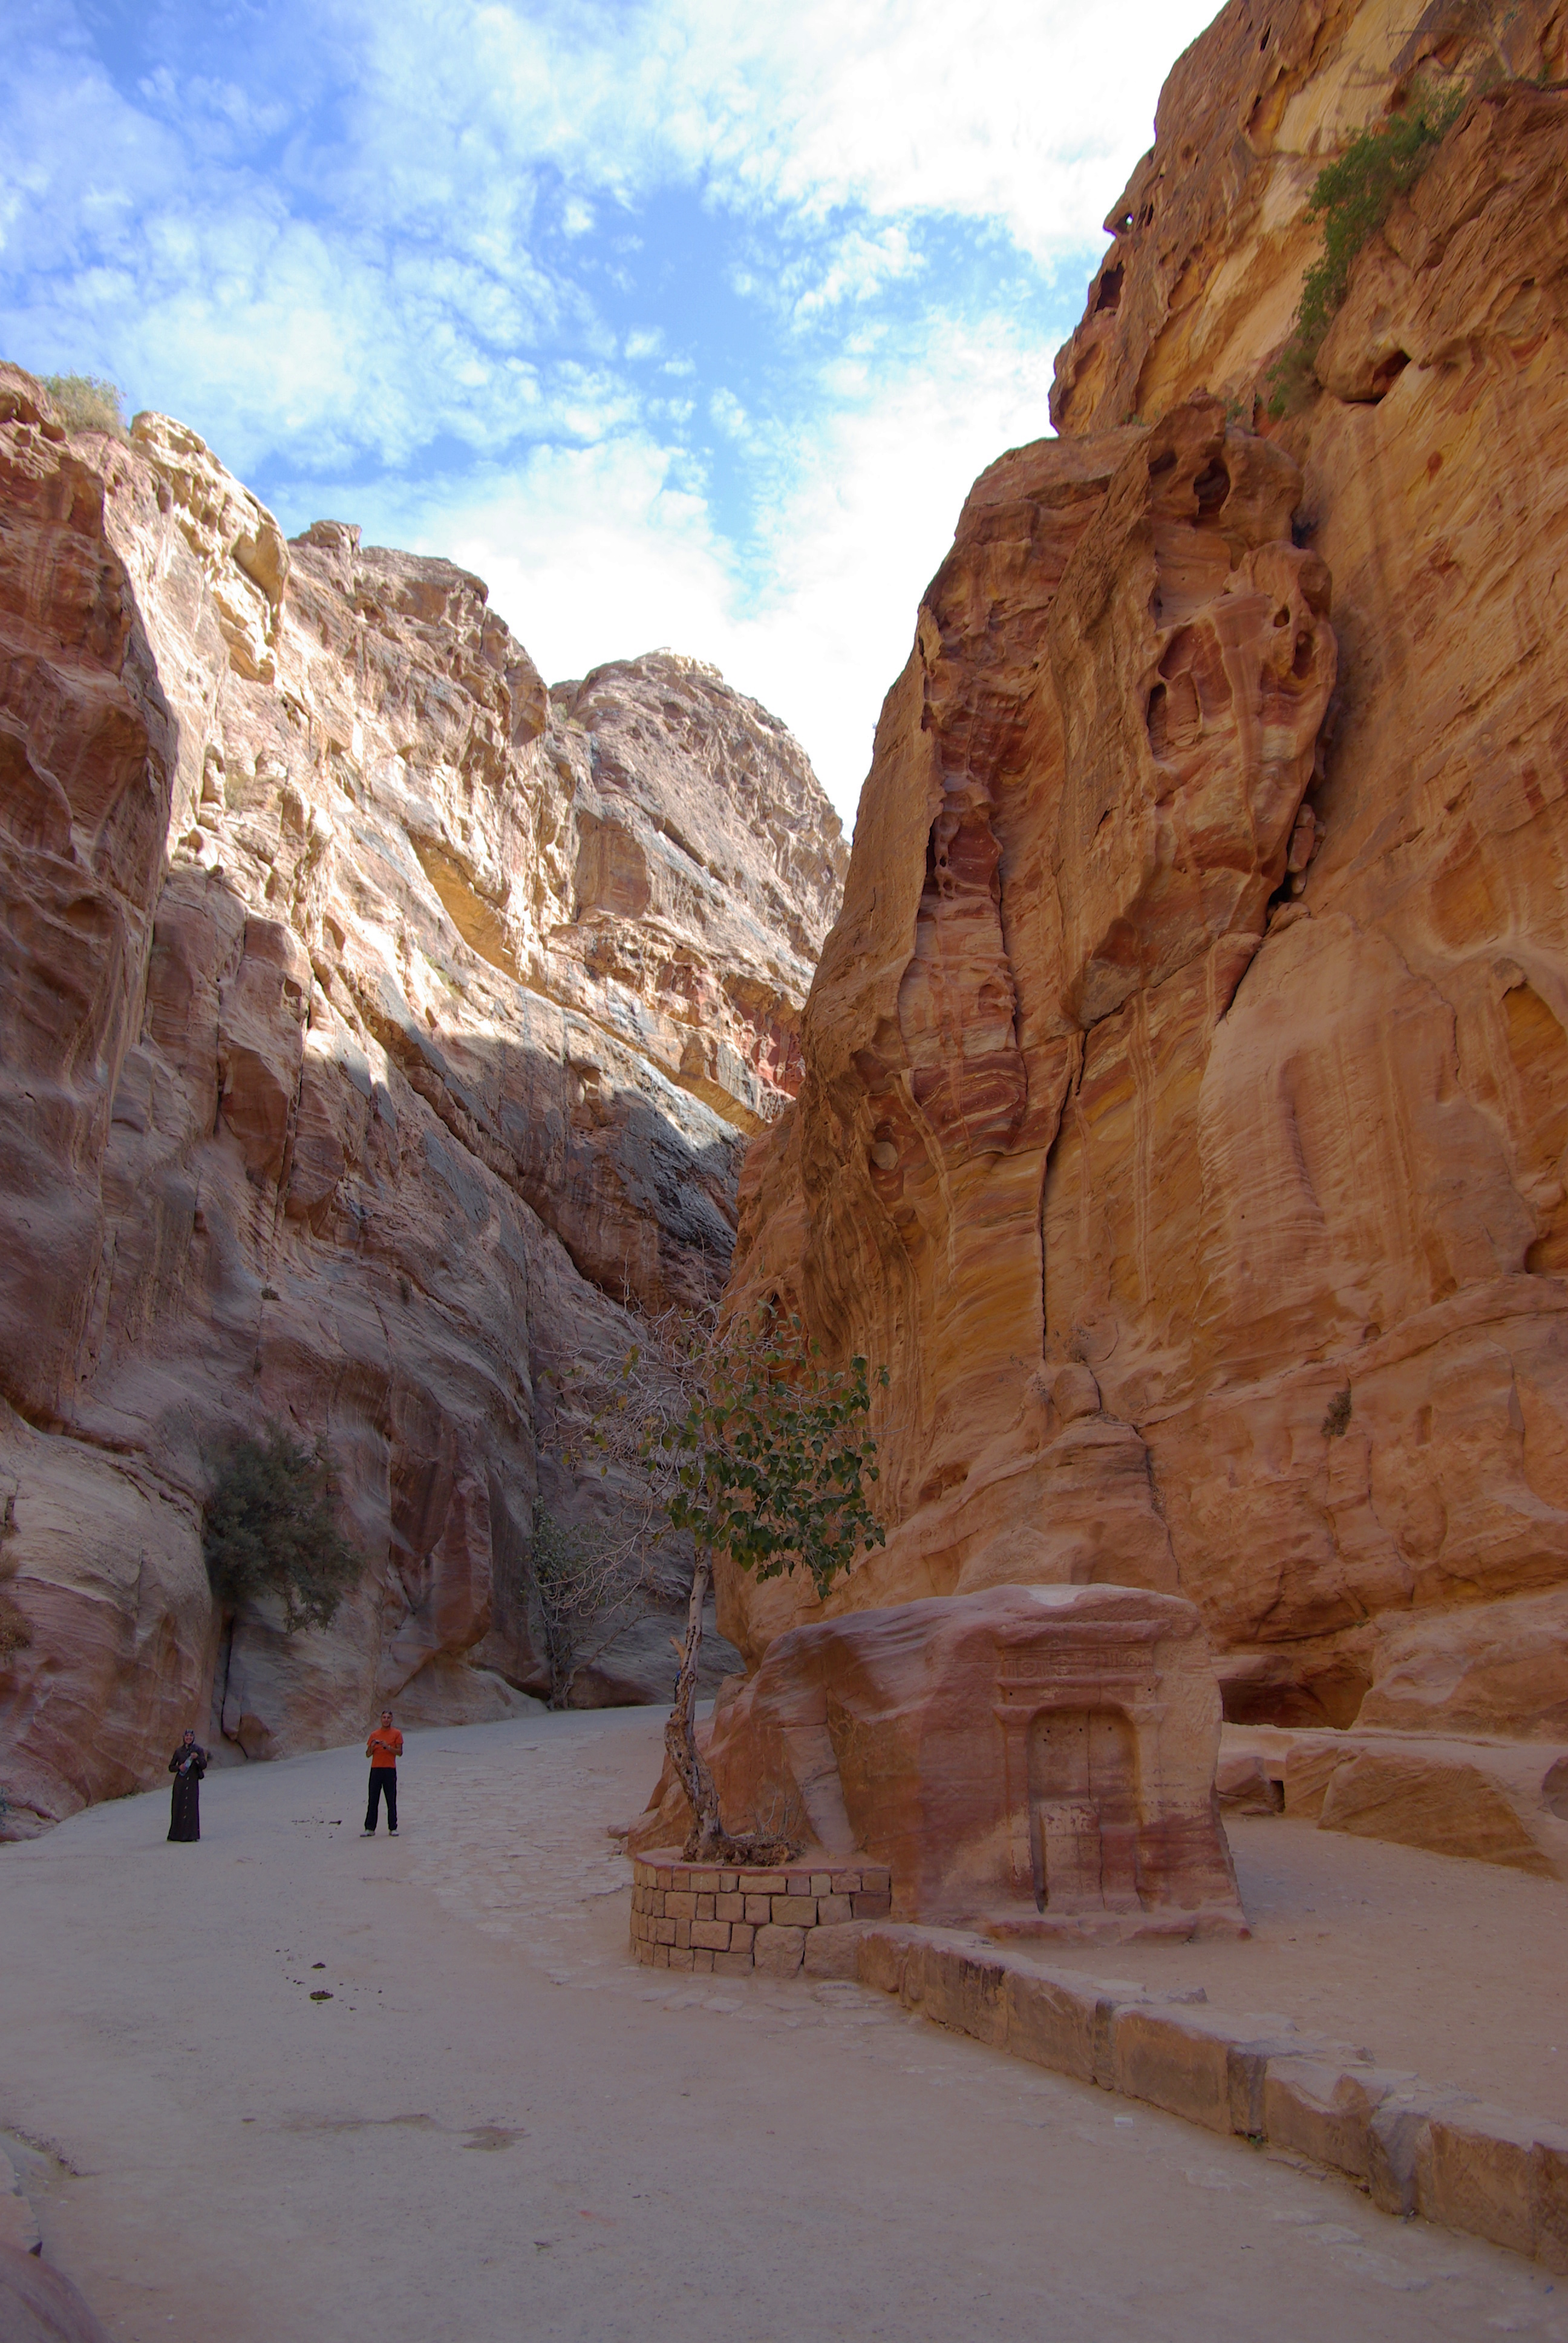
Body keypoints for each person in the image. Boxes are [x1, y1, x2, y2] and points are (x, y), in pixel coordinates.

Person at [364, 1709, 403, 1836]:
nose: (386, 1720)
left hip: (389, 1770)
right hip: (376, 1769)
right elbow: (368, 1755)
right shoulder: (374, 1734)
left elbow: (400, 1752)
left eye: (388, 1718)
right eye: (384, 1717)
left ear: (392, 1720)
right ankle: (370, 1828)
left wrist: (388, 1747)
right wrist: (373, 1747)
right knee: (373, 1799)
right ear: (381, 1719)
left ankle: (393, 1827)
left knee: (391, 1799)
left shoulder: (397, 1733)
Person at [167, 1729, 207, 1842]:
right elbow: (171, 1767)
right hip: (180, 1782)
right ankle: (176, 1835)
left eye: (191, 1736)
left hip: (192, 1783)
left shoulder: (198, 1750)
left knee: (191, 1807)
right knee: (178, 1807)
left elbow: (204, 1765)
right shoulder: (179, 1751)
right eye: (187, 1736)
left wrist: (197, 1758)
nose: (188, 1738)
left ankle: (191, 1835)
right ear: (184, 1737)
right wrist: (178, 1767)